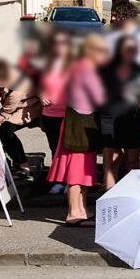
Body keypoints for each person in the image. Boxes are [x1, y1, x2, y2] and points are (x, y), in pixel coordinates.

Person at [49, 34, 108, 226]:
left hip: (82, 125)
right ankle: (74, 212)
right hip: (79, 127)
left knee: (83, 171)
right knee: (76, 171)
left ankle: (82, 208)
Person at [98, 36, 140, 190]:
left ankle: (133, 196)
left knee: (133, 161)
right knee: (110, 161)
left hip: (132, 116)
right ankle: (109, 197)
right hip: (110, 115)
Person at [0, 59, 36, 179]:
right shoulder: (5, 78)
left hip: (31, 107)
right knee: (6, 132)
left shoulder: (15, 90)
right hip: (19, 105)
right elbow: (0, 91)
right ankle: (19, 164)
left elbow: (5, 113)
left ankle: (23, 167)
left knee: (6, 131)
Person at [35, 30, 74, 191]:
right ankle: (58, 180)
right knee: (54, 149)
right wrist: (41, 96)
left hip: (68, 114)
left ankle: (69, 181)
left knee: (68, 149)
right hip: (50, 114)